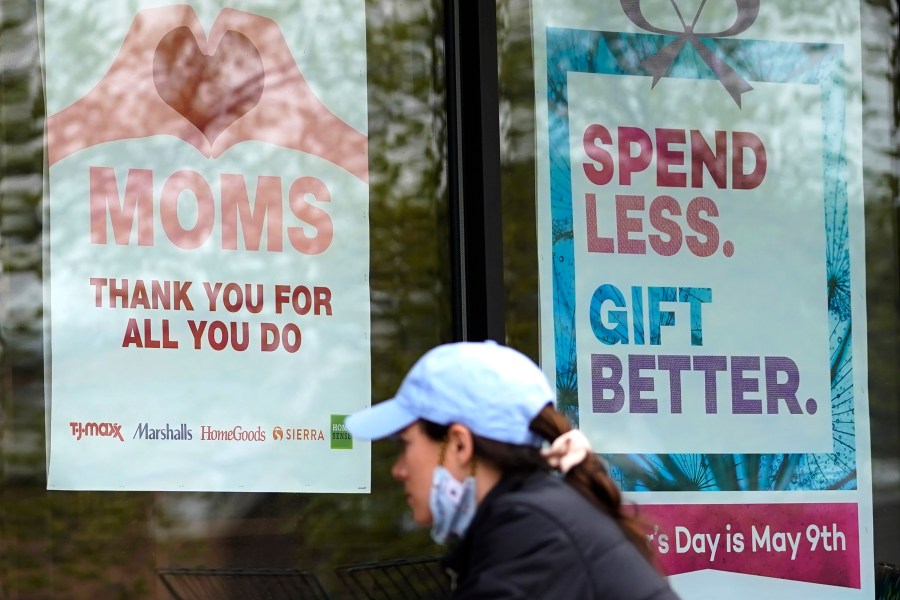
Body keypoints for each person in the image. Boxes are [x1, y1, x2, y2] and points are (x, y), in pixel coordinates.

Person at [346, 340, 680, 599]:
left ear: (459, 445)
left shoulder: (531, 533)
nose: (398, 470)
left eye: (405, 445)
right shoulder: (537, 516)